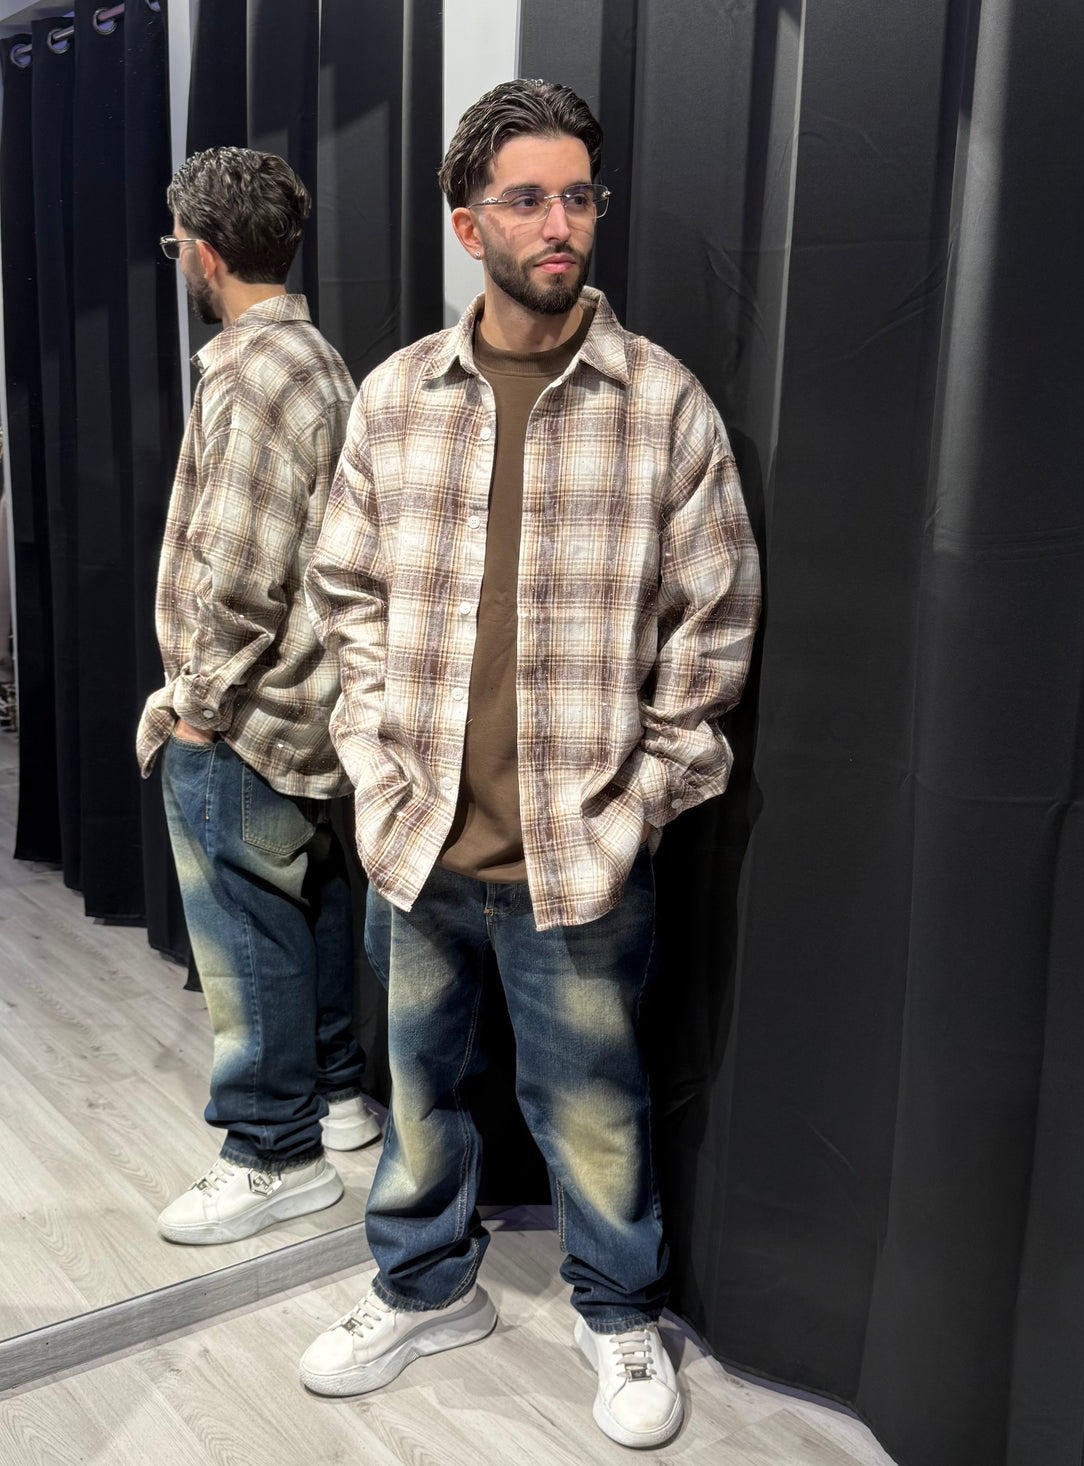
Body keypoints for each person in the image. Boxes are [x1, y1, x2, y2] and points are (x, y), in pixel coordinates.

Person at [300, 81, 760, 1449]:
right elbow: (344, 594)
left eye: (577, 196)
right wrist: (375, 764)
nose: (560, 224)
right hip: (419, 839)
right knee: (419, 1095)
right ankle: (423, 1284)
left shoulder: (660, 402)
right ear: (467, 225)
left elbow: (714, 621)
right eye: (526, 199)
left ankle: (615, 1312)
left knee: (597, 1109)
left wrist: (642, 798)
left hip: (580, 846)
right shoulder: (395, 396)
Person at [136, 147, 379, 1248]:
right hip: (313, 705)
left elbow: (237, 568)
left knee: (246, 932)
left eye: (176, 246)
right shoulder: (318, 356)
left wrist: (195, 708)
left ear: (203, 252)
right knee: (309, 903)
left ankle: (273, 1152)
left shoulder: (249, 371)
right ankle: (335, 1099)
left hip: (249, 712)